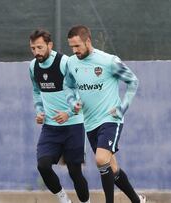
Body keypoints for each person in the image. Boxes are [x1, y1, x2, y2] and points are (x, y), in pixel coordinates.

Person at [63, 25, 146, 203]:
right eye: (71, 47)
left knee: (101, 159)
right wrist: (72, 102)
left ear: (88, 41)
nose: (74, 50)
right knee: (112, 168)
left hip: (111, 119)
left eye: (77, 46)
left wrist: (122, 108)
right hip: (90, 122)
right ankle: (137, 200)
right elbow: (68, 85)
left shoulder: (108, 61)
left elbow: (133, 81)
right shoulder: (71, 63)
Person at [28, 28, 90, 203]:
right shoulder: (33, 67)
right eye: (33, 48)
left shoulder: (66, 63)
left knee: (74, 171)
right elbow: (36, 91)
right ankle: (64, 199)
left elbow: (82, 92)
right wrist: (39, 111)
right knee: (43, 165)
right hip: (50, 128)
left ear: (50, 45)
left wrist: (69, 112)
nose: (36, 52)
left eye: (39, 47)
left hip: (74, 125)